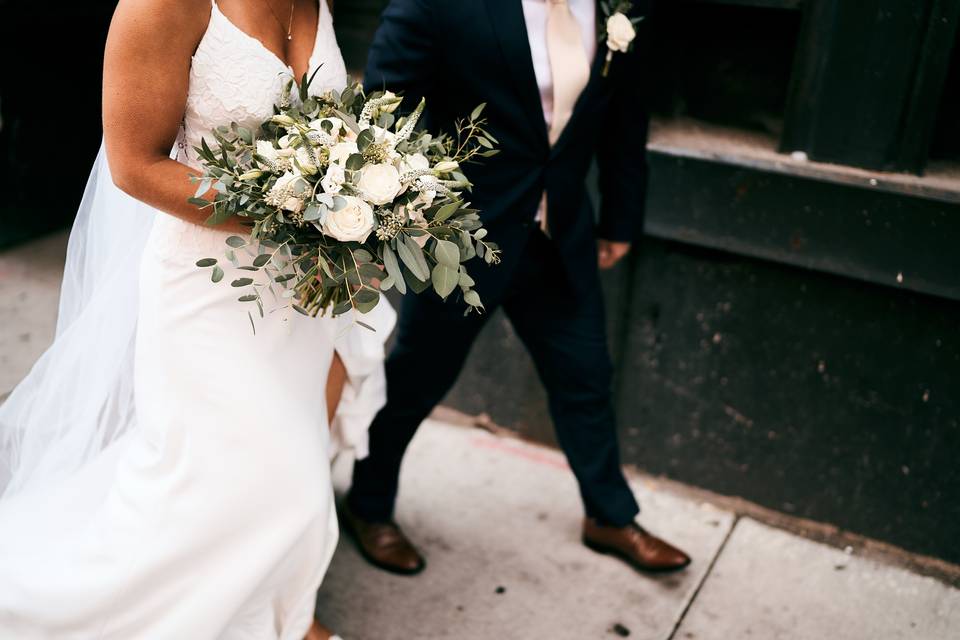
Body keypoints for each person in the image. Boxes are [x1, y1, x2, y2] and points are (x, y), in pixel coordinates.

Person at [0, 1, 394, 638]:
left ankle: (277, 609)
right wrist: (297, 217)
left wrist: (367, 211)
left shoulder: (312, 2)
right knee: (238, 478)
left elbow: (334, 133)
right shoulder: (165, 5)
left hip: (303, 290)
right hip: (207, 290)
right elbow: (136, 164)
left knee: (280, 472)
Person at [343, 0, 692, 577]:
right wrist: (398, 224)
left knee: (586, 376)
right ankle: (369, 505)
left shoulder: (618, 9)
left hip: (560, 235)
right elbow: (385, 117)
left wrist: (620, 222)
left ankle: (608, 515)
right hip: (461, 240)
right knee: (416, 378)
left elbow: (627, 122)